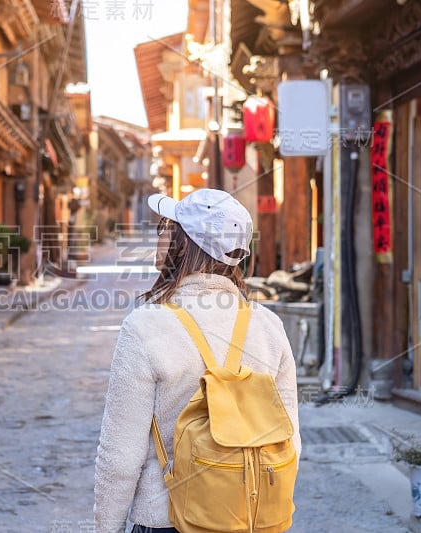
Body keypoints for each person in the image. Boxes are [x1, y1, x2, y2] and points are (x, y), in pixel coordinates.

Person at [94, 188, 301, 533]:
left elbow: (120, 458)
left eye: (165, 228)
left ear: (184, 242)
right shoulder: (268, 325)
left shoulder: (146, 325)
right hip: (248, 520)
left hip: (167, 518)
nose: (159, 236)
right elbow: (289, 440)